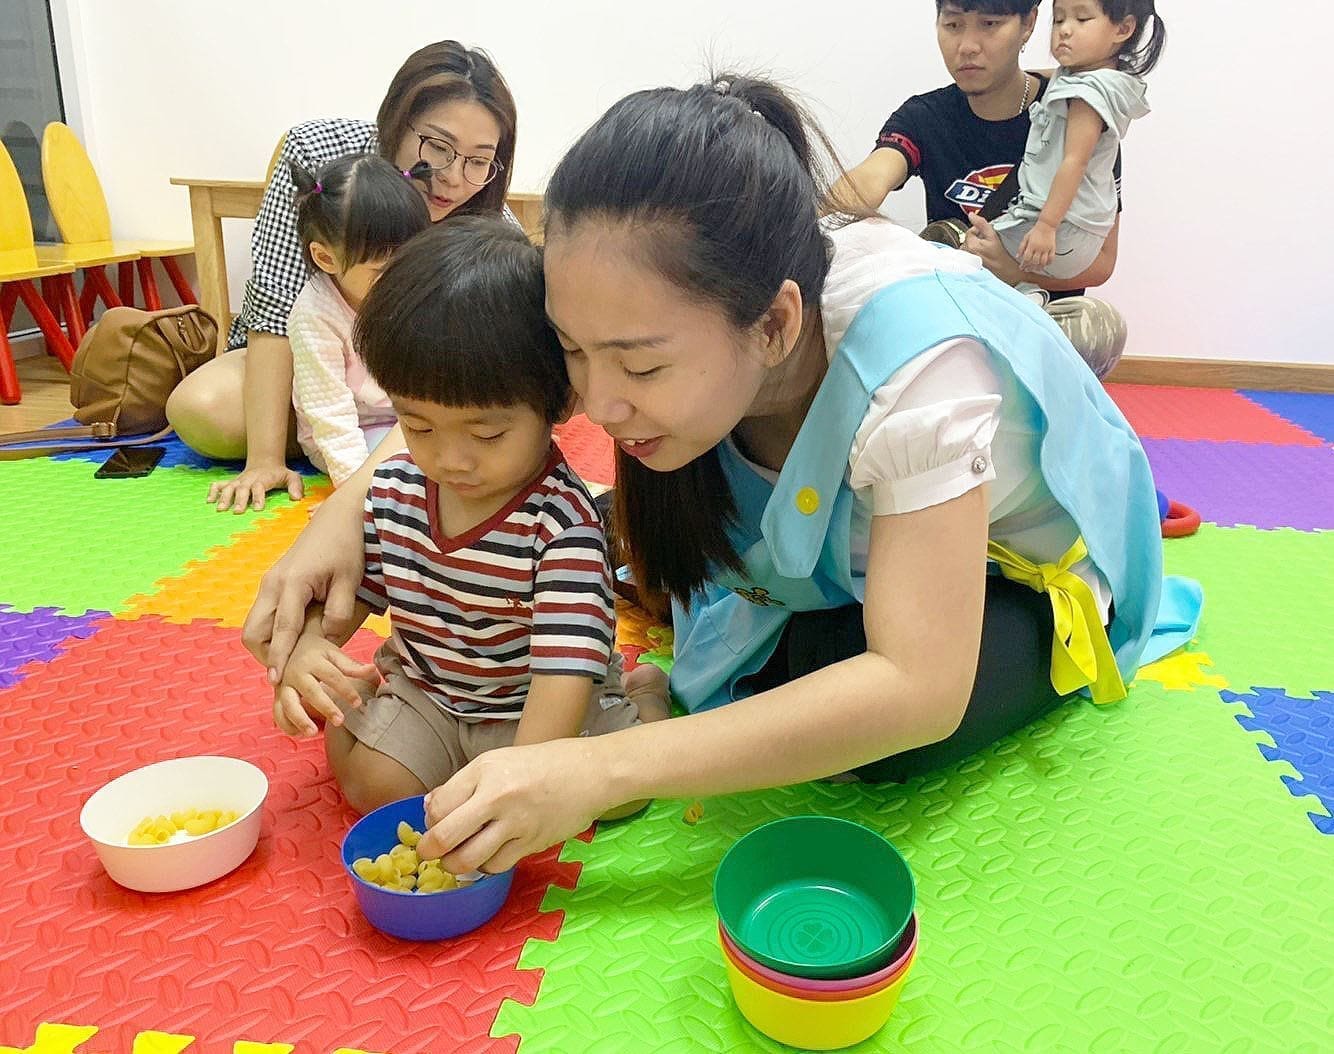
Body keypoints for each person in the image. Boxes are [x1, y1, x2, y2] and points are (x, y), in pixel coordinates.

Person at [243, 74, 1200, 876]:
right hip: (828, 524)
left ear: (778, 324)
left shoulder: (919, 367)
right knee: (623, 545)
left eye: (641, 365)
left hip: (1021, 574)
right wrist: (341, 519)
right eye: (574, 352)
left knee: (860, 715)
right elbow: (466, 387)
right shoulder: (661, 276)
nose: (597, 404)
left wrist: (603, 774)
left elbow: (921, 684)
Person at [268, 217, 668, 815]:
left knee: (622, 796)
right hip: (433, 694)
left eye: (486, 433)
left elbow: (561, 678)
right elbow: (347, 603)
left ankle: (646, 696)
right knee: (372, 789)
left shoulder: (562, 527)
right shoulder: (397, 490)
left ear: (558, 402)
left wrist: (522, 781)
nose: (449, 459)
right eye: (418, 426)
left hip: (541, 706)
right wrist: (305, 654)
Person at [165, 40, 518, 512]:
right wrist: (264, 460)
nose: (454, 178)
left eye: (478, 160)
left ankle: (392, 444)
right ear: (396, 121)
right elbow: (273, 310)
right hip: (316, 366)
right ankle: (365, 447)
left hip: (415, 385)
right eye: (438, 147)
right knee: (204, 407)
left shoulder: (483, 203)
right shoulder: (322, 158)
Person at [833, 0, 1129, 377]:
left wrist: (1014, 271)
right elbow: (870, 177)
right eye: (953, 25)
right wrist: (807, 221)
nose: (967, 46)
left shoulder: (1079, 115)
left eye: (989, 24)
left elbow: (1102, 260)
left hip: (1042, 320)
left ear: (1028, 24)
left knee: (1098, 326)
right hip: (955, 308)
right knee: (921, 248)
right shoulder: (926, 116)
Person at [992, 0, 1163, 277]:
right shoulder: (1106, 79)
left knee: (974, 248)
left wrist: (1046, 226)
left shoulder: (1086, 97)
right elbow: (1058, 78)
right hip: (1082, 228)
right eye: (1059, 20)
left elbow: (1075, 162)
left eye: (1082, 20)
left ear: (1123, 29)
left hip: (1062, 229)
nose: (1064, 31)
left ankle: (1025, 288)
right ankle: (1029, 292)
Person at [287, 155, 429, 485]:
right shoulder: (315, 314)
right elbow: (330, 416)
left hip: (403, 421)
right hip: (349, 436)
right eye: (382, 271)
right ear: (326, 258)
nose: (402, 278)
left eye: (410, 259)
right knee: (406, 473)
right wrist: (353, 499)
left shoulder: (411, 286)